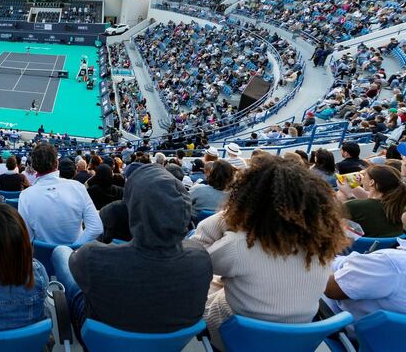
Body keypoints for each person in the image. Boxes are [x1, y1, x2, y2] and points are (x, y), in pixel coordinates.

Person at [192, 154, 348, 349]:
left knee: (210, 283)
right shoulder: (322, 243)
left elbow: (196, 259)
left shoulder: (239, 245)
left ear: (247, 198)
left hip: (236, 338)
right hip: (297, 340)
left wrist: (230, 215)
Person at [52, 163, 212, 336]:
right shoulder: (201, 257)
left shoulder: (93, 257)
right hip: (169, 344)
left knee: (61, 252)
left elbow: (80, 268)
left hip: (102, 338)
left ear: (132, 206)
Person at [18, 143, 103, 244]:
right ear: (56, 163)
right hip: (75, 256)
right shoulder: (78, 187)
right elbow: (96, 228)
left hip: (43, 259)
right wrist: (73, 248)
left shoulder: (25, 196)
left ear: (34, 166)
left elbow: (27, 238)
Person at [324, 238, 406, 324]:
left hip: (332, 322)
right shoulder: (391, 261)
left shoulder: (391, 262)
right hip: (387, 335)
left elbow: (329, 289)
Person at [340, 165, 406, 237]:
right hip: (390, 246)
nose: (362, 177)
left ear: (371, 182)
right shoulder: (400, 204)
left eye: (364, 175)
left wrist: (348, 193)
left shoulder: (355, 206)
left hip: (362, 247)